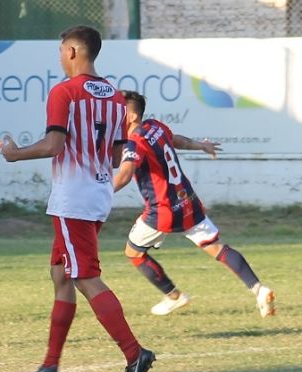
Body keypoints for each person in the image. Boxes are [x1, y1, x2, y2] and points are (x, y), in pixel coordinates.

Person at [0, 26, 155, 372]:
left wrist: (14, 152)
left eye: (60, 50)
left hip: (73, 197)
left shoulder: (63, 92)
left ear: (71, 51)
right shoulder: (116, 97)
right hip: (99, 193)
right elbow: (117, 155)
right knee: (60, 274)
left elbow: (55, 145)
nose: (59, 56)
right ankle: (50, 365)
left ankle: (135, 353)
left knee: (85, 276)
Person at [113, 90, 276, 318]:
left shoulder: (135, 141)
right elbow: (176, 140)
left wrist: (101, 193)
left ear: (130, 116)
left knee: (134, 252)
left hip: (163, 210)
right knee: (217, 247)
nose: (112, 114)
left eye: (116, 110)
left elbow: (125, 173)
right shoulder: (155, 127)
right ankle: (259, 289)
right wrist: (202, 145)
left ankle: (174, 296)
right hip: (187, 201)